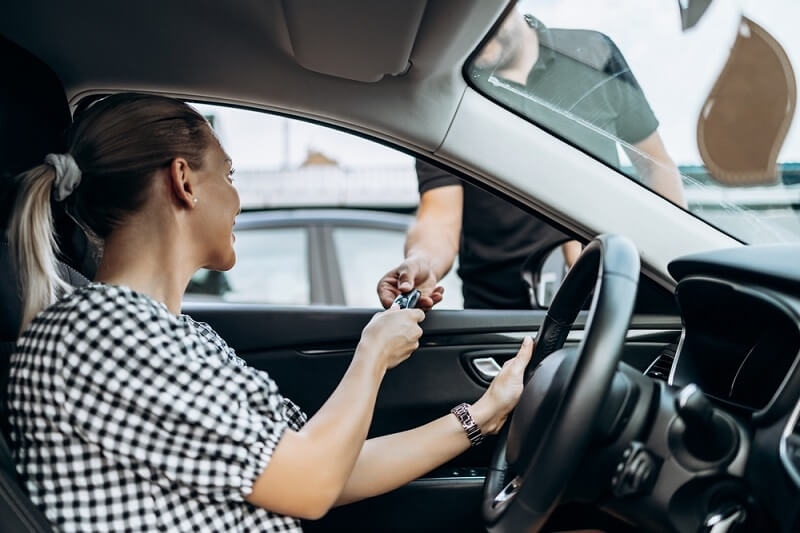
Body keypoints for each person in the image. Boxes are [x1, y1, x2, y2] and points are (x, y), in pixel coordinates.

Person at [5, 93, 533, 532]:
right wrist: (372, 352)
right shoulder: (103, 334)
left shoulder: (178, 336)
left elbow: (329, 467)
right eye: (229, 174)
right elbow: (311, 483)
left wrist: (482, 415)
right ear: (183, 181)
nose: (237, 198)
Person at [378, 10, 686, 310]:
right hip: (502, 320)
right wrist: (422, 261)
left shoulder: (593, 54)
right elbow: (439, 217)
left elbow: (655, 166)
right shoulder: (446, 95)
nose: (475, 36)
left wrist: (671, 264)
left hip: (604, 301)